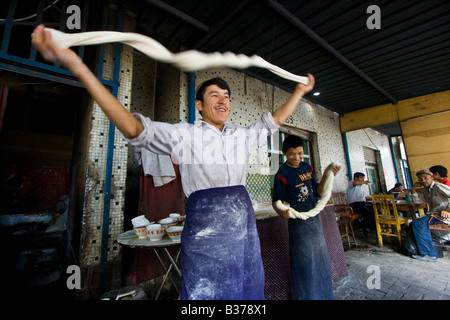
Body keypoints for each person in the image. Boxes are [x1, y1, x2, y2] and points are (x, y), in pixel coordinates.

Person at [31, 24, 316, 299]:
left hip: (243, 233)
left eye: (226, 97)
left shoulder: (241, 136)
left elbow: (272, 121)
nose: (223, 101)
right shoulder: (185, 135)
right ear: (199, 106)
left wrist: (299, 92)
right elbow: (133, 129)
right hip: (204, 234)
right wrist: (78, 67)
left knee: (248, 290)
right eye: (214, 95)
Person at [272, 135, 341, 300]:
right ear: (284, 153)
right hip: (298, 221)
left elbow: (318, 192)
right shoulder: (282, 173)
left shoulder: (306, 167)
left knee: (319, 256)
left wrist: (326, 175)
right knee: (304, 261)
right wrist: (282, 211)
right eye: (292, 154)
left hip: (314, 217)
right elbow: (276, 201)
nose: (296, 158)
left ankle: (324, 296)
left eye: (300, 153)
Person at [409, 169, 450, 262]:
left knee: (418, 224)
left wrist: (448, 210)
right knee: (414, 224)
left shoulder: (438, 186)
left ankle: (429, 254)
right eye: (420, 179)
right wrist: (414, 190)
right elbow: (417, 201)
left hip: (443, 216)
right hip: (434, 215)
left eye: (425, 178)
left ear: (432, 178)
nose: (423, 180)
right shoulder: (425, 190)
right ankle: (431, 248)